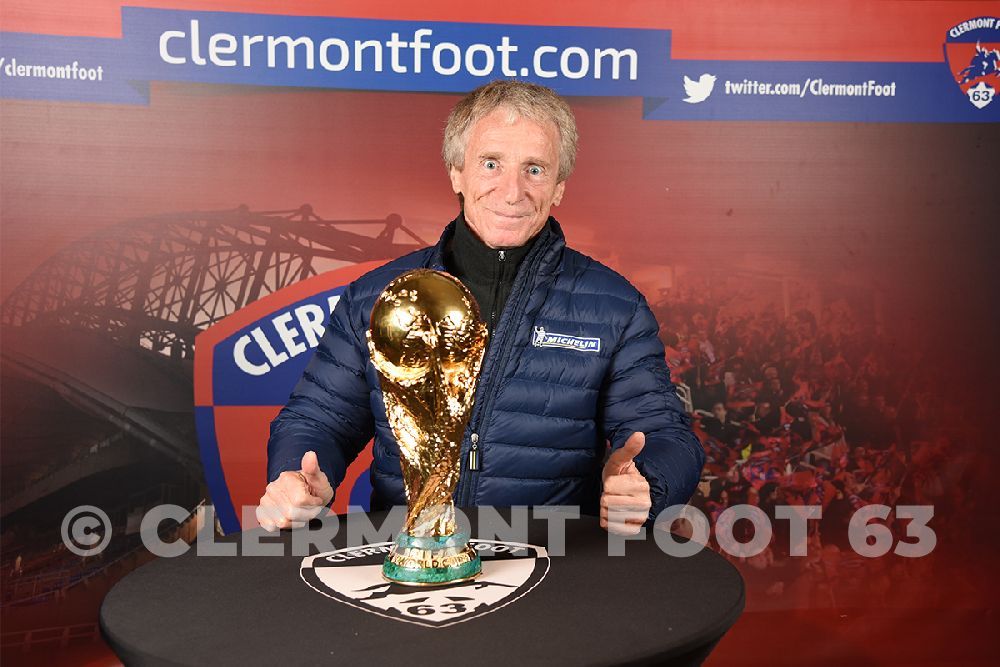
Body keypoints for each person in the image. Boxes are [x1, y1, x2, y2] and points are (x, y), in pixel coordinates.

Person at [258, 80, 704, 535]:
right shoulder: (375, 296)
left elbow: (665, 434)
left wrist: (648, 483)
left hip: (557, 566)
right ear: (457, 172)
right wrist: (298, 475)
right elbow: (317, 418)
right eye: (491, 163)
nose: (512, 191)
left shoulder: (616, 306)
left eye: (534, 169)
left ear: (559, 187)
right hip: (407, 558)